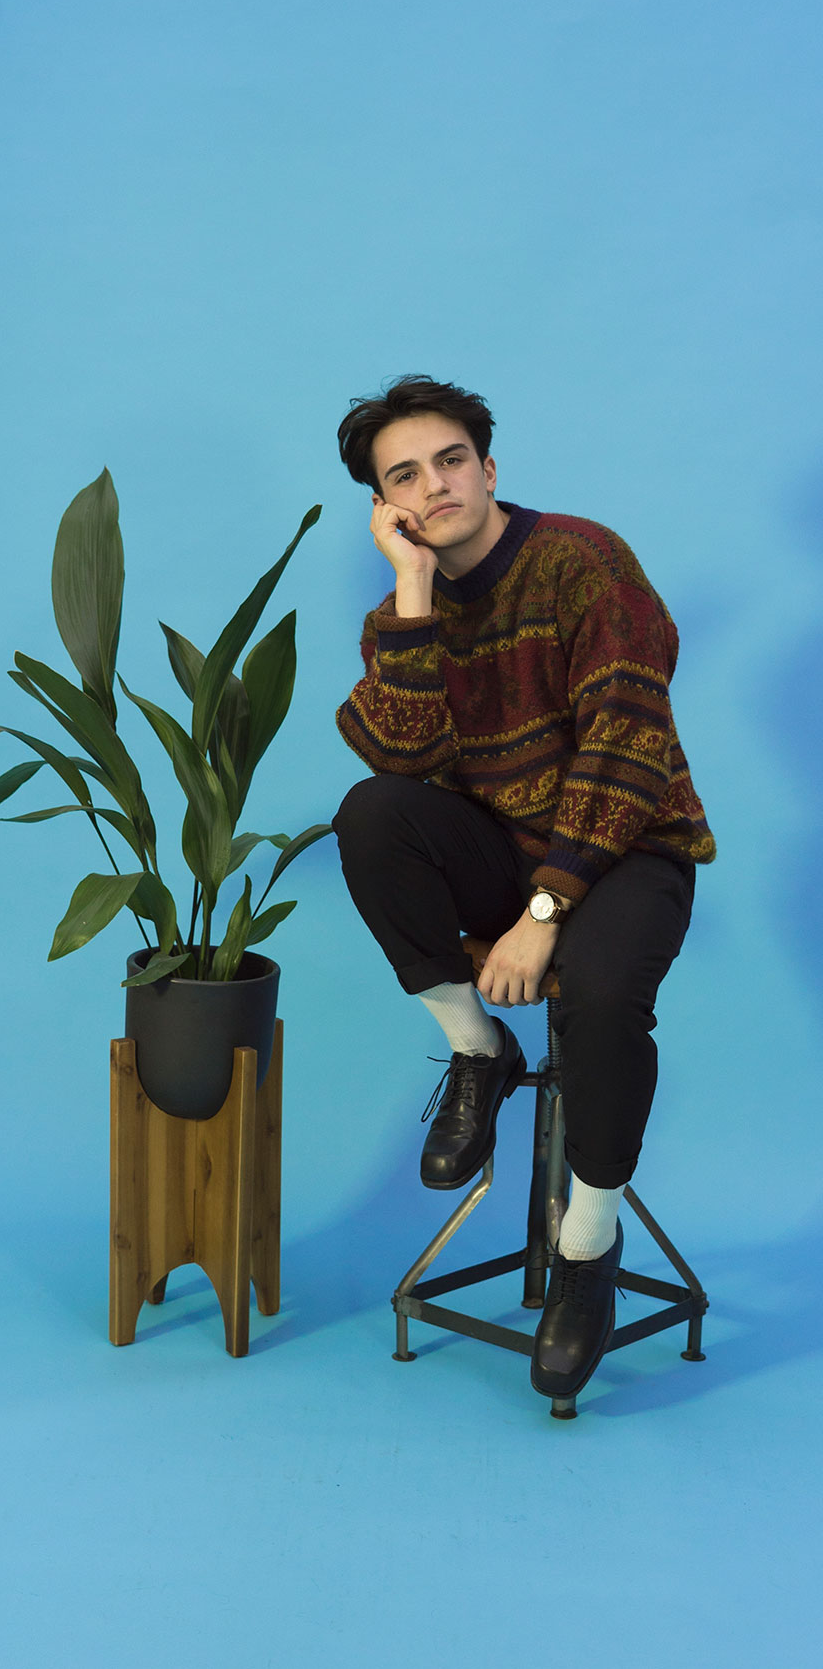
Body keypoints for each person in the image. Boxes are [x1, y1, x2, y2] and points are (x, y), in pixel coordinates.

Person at [332, 375, 715, 1400]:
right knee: (370, 814)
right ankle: (478, 1049)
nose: (435, 485)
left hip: (629, 847)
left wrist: (544, 912)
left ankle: (586, 1250)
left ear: (488, 467)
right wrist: (415, 594)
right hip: (501, 849)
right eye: (404, 476)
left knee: (599, 995)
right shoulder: (398, 619)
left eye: (451, 460)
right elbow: (403, 760)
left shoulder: (584, 562)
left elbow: (626, 747)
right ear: (385, 508)